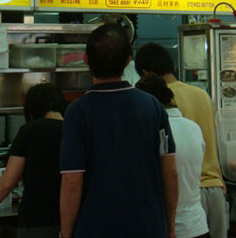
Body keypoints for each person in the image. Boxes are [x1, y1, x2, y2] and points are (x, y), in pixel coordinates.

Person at [60, 24, 178, 238]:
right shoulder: (153, 106)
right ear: (128, 61)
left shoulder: (77, 112)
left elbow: (71, 182)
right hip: (149, 226)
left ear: (86, 59)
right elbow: (170, 172)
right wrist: (170, 227)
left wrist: (66, 234)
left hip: (96, 228)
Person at [135, 42, 227, 238]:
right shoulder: (202, 95)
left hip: (186, 194)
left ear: (145, 73)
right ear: (173, 67)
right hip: (216, 189)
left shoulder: (157, 99)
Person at [0, 83, 65, 238]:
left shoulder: (29, 131)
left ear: (32, 108)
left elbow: (8, 182)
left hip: (36, 222)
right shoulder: (75, 130)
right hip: (69, 220)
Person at [137, 74, 209, 238]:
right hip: (197, 225)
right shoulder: (193, 128)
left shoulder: (153, 132)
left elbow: (170, 176)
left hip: (168, 228)